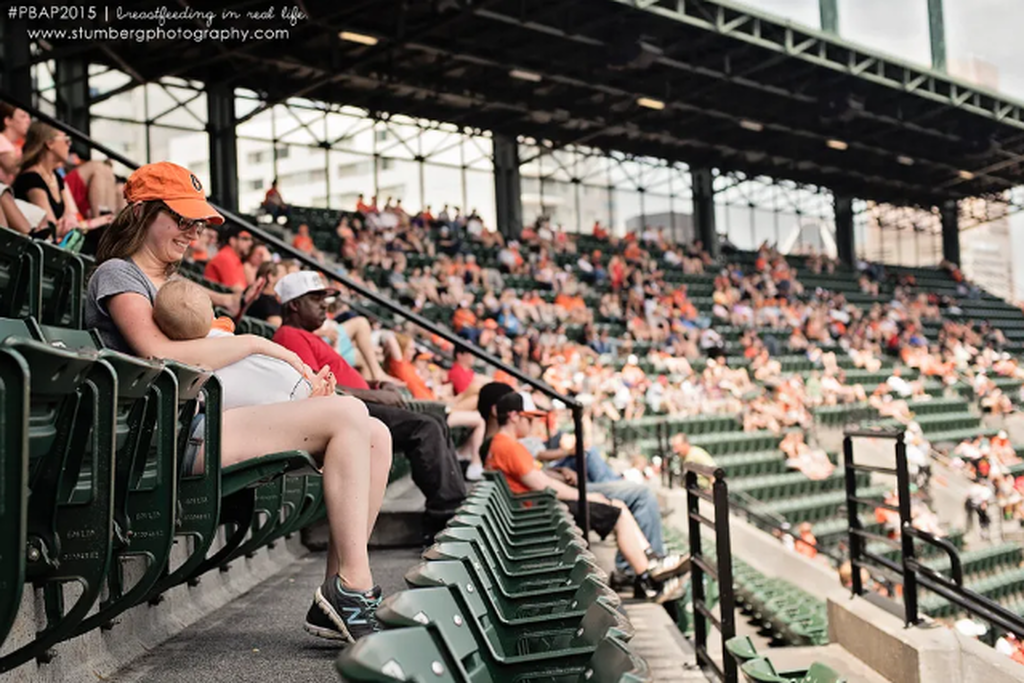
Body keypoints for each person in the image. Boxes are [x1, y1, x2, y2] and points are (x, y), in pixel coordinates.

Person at [84, 161, 391, 644]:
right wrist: (257, 345)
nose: (192, 232)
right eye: (181, 220)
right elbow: (158, 355)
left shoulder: (171, 284)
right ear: (142, 214)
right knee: (350, 415)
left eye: (196, 223)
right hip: (167, 434)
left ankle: (341, 588)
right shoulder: (117, 273)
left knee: (377, 434)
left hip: (208, 419)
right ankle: (357, 590)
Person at [271, 270, 468, 516]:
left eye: (325, 298)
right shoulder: (289, 335)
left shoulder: (309, 336)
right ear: (295, 305)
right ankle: (446, 511)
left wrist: (376, 386)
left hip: (359, 405)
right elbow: (314, 388)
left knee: (436, 421)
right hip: (346, 413)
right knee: (424, 428)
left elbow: (340, 378)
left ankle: (457, 501)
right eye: (315, 298)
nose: (324, 305)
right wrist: (375, 396)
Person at [486, 391, 688, 602]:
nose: (531, 424)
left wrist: (558, 473)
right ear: (513, 416)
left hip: (533, 510)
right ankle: (647, 580)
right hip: (540, 512)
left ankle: (651, 560)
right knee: (616, 512)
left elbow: (533, 475)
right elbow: (543, 485)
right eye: (528, 419)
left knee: (616, 503)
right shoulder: (508, 446)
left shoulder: (500, 445)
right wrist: (587, 497)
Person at [13, 121, 114, 245]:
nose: (69, 145)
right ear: (49, 143)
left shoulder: (56, 177)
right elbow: (50, 231)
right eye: (66, 140)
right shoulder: (31, 179)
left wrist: (75, 223)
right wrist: (93, 222)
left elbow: (74, 218)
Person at [204, 224, 253, 292]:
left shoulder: (234, 257)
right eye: (245, 239)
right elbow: (236, 290)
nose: (250, 243)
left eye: (250, 240)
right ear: (232, 240)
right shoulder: (226, 257)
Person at [0, 102, 29, 185]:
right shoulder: (1, 140)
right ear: (8, 121)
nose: (28, 120)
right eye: (23, 116)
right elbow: (15, 169)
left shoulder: (15, 146)